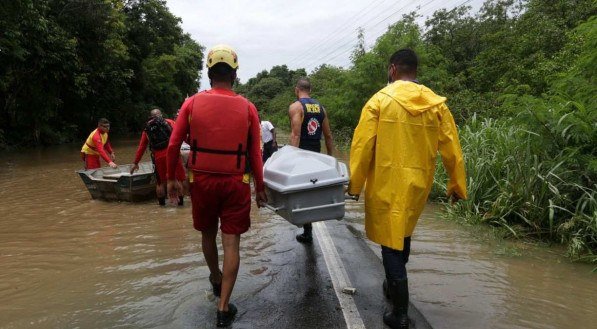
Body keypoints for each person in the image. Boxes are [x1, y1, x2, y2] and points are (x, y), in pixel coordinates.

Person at [347, 49, 467, 329]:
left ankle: (400, 314)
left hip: (388, 183)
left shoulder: (378, 101)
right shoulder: (436, 104)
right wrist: (456, 184)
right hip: (418, 184)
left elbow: (362, 146)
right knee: (404, 232)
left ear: (392, 69)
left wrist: (355, 184)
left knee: (391, 242)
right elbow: (452, 148)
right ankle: (392, 285)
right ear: (415, 70)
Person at [166, 44, 267, 328]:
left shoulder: (192, 103)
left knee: (207, 235)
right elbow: (256, 153)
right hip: (236, 183)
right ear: (234, 75)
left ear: (209, 73)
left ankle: (214, 276)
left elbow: (174, 145)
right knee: (232, 242)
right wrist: (260, 186)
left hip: (202, 181)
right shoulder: (248, 108)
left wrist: (170, 179)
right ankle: (223, 308)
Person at [288, 77, 334, 244]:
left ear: (296, 90)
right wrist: (331, 160)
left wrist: (291, 159)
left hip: (301, 155)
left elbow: (295, 134)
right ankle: (310, 226)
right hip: (317, 155)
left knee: (302, 191)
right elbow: (328, 136)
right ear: (310, 90)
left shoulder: (296, 107)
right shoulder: (321, 108)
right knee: (314, 189)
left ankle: (307, 229)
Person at [130, 109, 186, 206]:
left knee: (160, 182)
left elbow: (141, 147)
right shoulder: (169, 122)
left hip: (158, 157)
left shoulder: (147, 129)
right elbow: (180, 136)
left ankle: (162, 205)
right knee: (177, 179)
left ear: (150, 117)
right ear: (161, 115)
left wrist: (136, 163)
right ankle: (180, 205)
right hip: (173, 154)